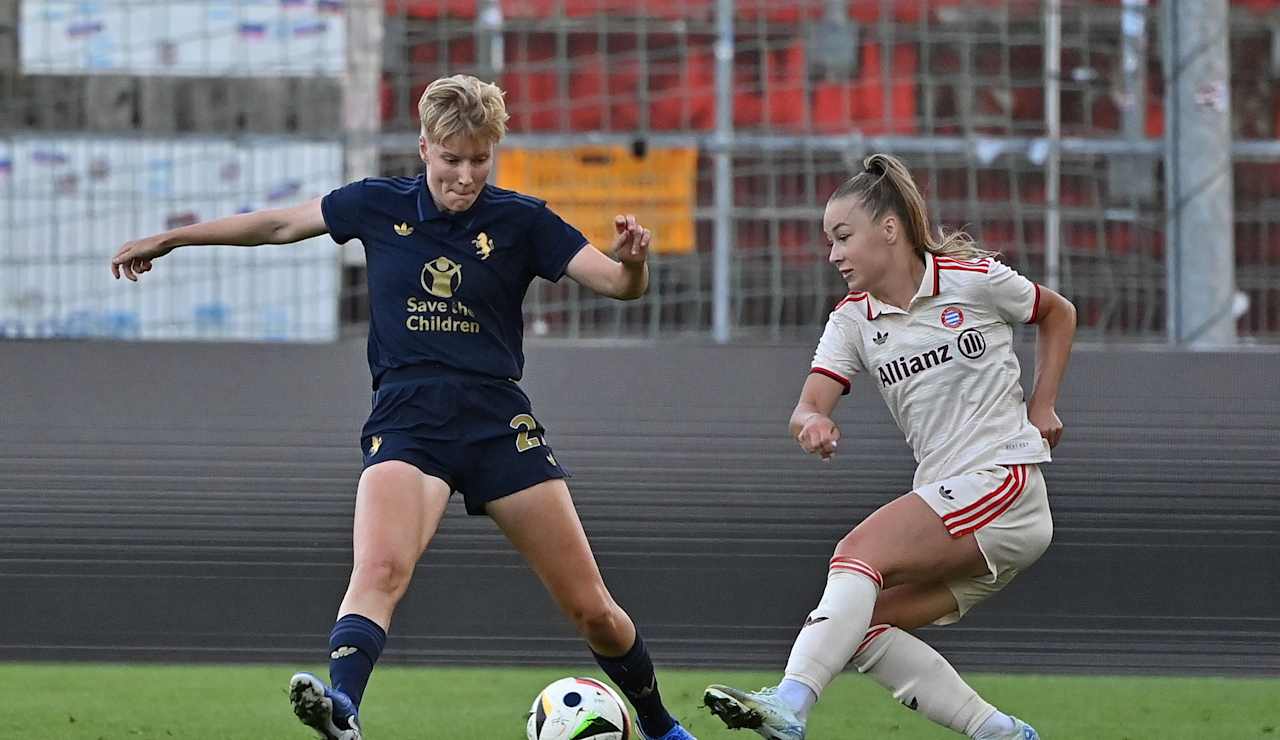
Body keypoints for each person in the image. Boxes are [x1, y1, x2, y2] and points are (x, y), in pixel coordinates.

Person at [111, 74, 697, 740]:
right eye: (453, 159)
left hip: (497, 421)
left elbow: (619, 285)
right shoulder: (373, 205)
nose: (467, 174)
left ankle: (660, 727)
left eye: (480, 159)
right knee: (380, 569)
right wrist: (177, 238)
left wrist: (634, 262)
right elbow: (277, 223)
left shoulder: (522, 220)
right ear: (424, 147)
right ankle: (343, 709)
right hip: (407, 418)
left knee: (593, 611)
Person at [701, 153, 1076, 740]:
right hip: (959, 503)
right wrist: (811, 425)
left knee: (857, 553)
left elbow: (1058, 313)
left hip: (1004, 482)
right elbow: (808, 405)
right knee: (859, 626)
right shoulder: (851, 321)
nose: (834, 255)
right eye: (829, 241)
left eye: (843, 237)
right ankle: (1000, 732)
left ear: (890, 229)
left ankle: (792, 703)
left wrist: (1043, 403)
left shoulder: (972, 280)